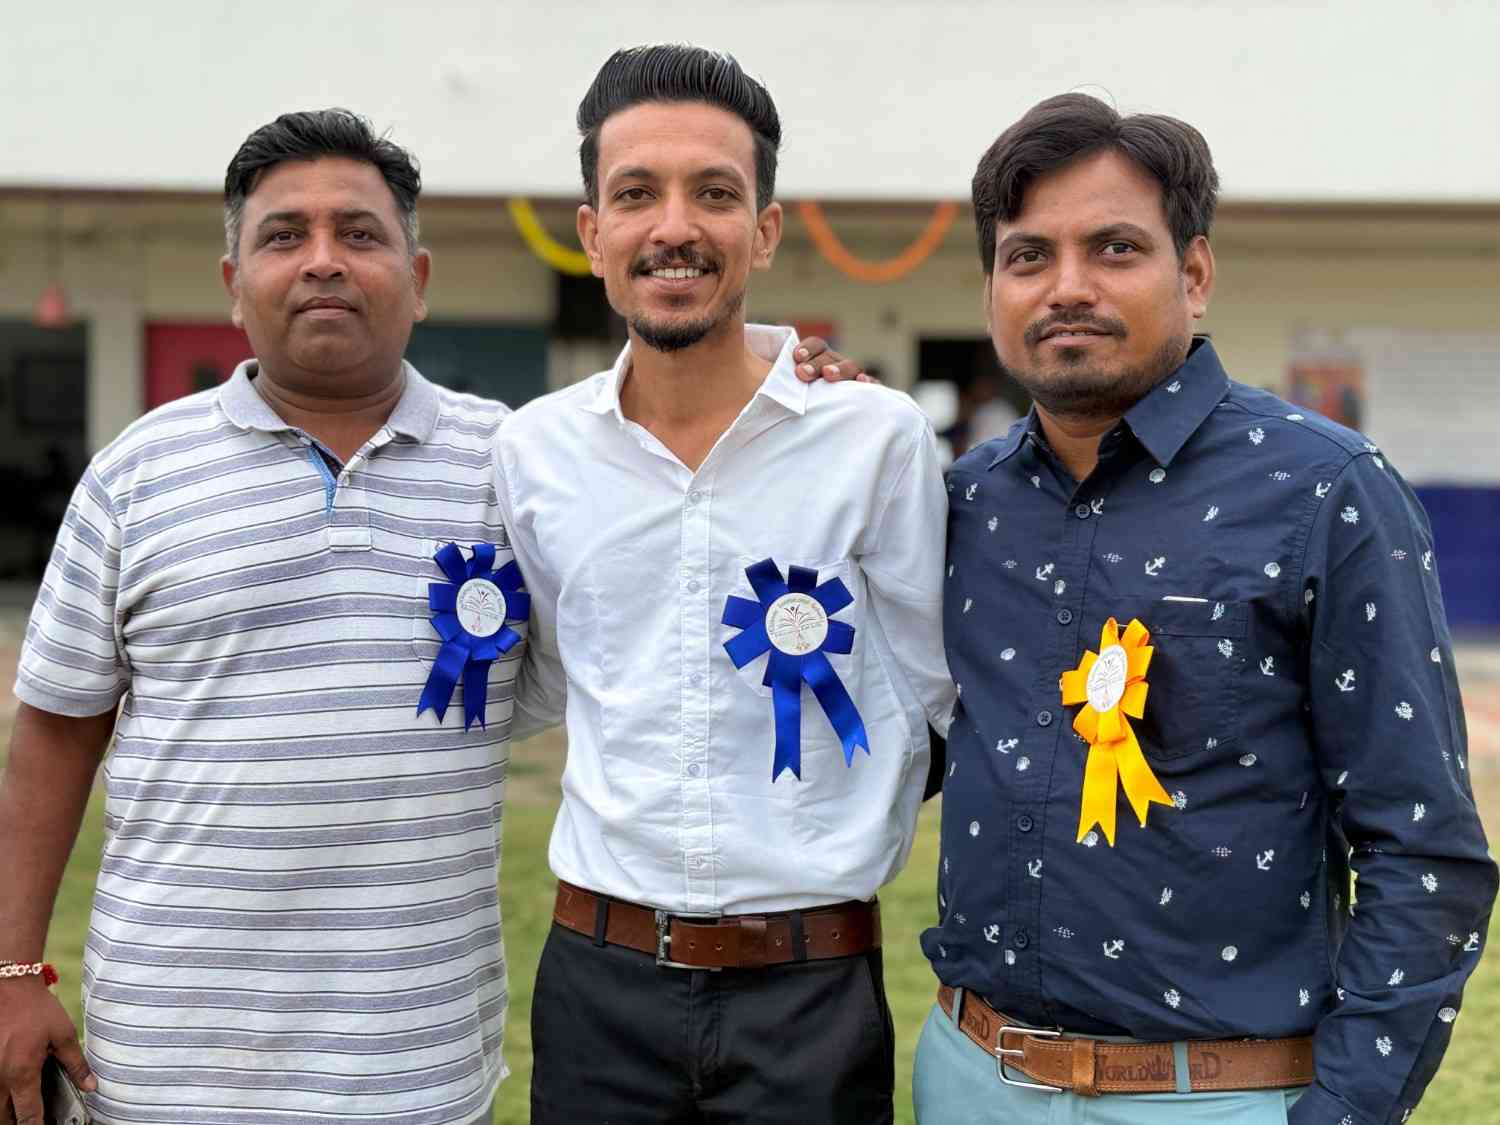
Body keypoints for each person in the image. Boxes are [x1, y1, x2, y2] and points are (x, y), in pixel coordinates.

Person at [0, 106, 855, 1125]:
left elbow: (674, 497)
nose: (324, 260)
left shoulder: (523, 463)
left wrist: (790, 387)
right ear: (233, 282)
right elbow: (54, 732)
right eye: (284, 236)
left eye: (360, 234)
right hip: (168, 1065)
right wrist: (10, 968)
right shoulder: (136, 475)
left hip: (418, 1070)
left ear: (419, 278)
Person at [912, 93, 1496, 1125]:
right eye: (1028, 255)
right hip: (970, 1076)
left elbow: (1422, 847)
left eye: (1115, 248)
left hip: (1220, 1098)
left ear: (1193, 273)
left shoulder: (1326, 491)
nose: (1068, 287)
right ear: (994, 287)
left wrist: (1347, 1110)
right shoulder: (964, 503)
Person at [494, 45, 955, 1124]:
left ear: (765, 229)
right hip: (597, 985)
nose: (675, 227)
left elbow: (938, 694)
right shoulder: (531, 453)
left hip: (811, 991)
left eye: (714, 192)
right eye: (635, 194)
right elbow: (552, 672)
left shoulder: (876, 441)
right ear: (591, 233)